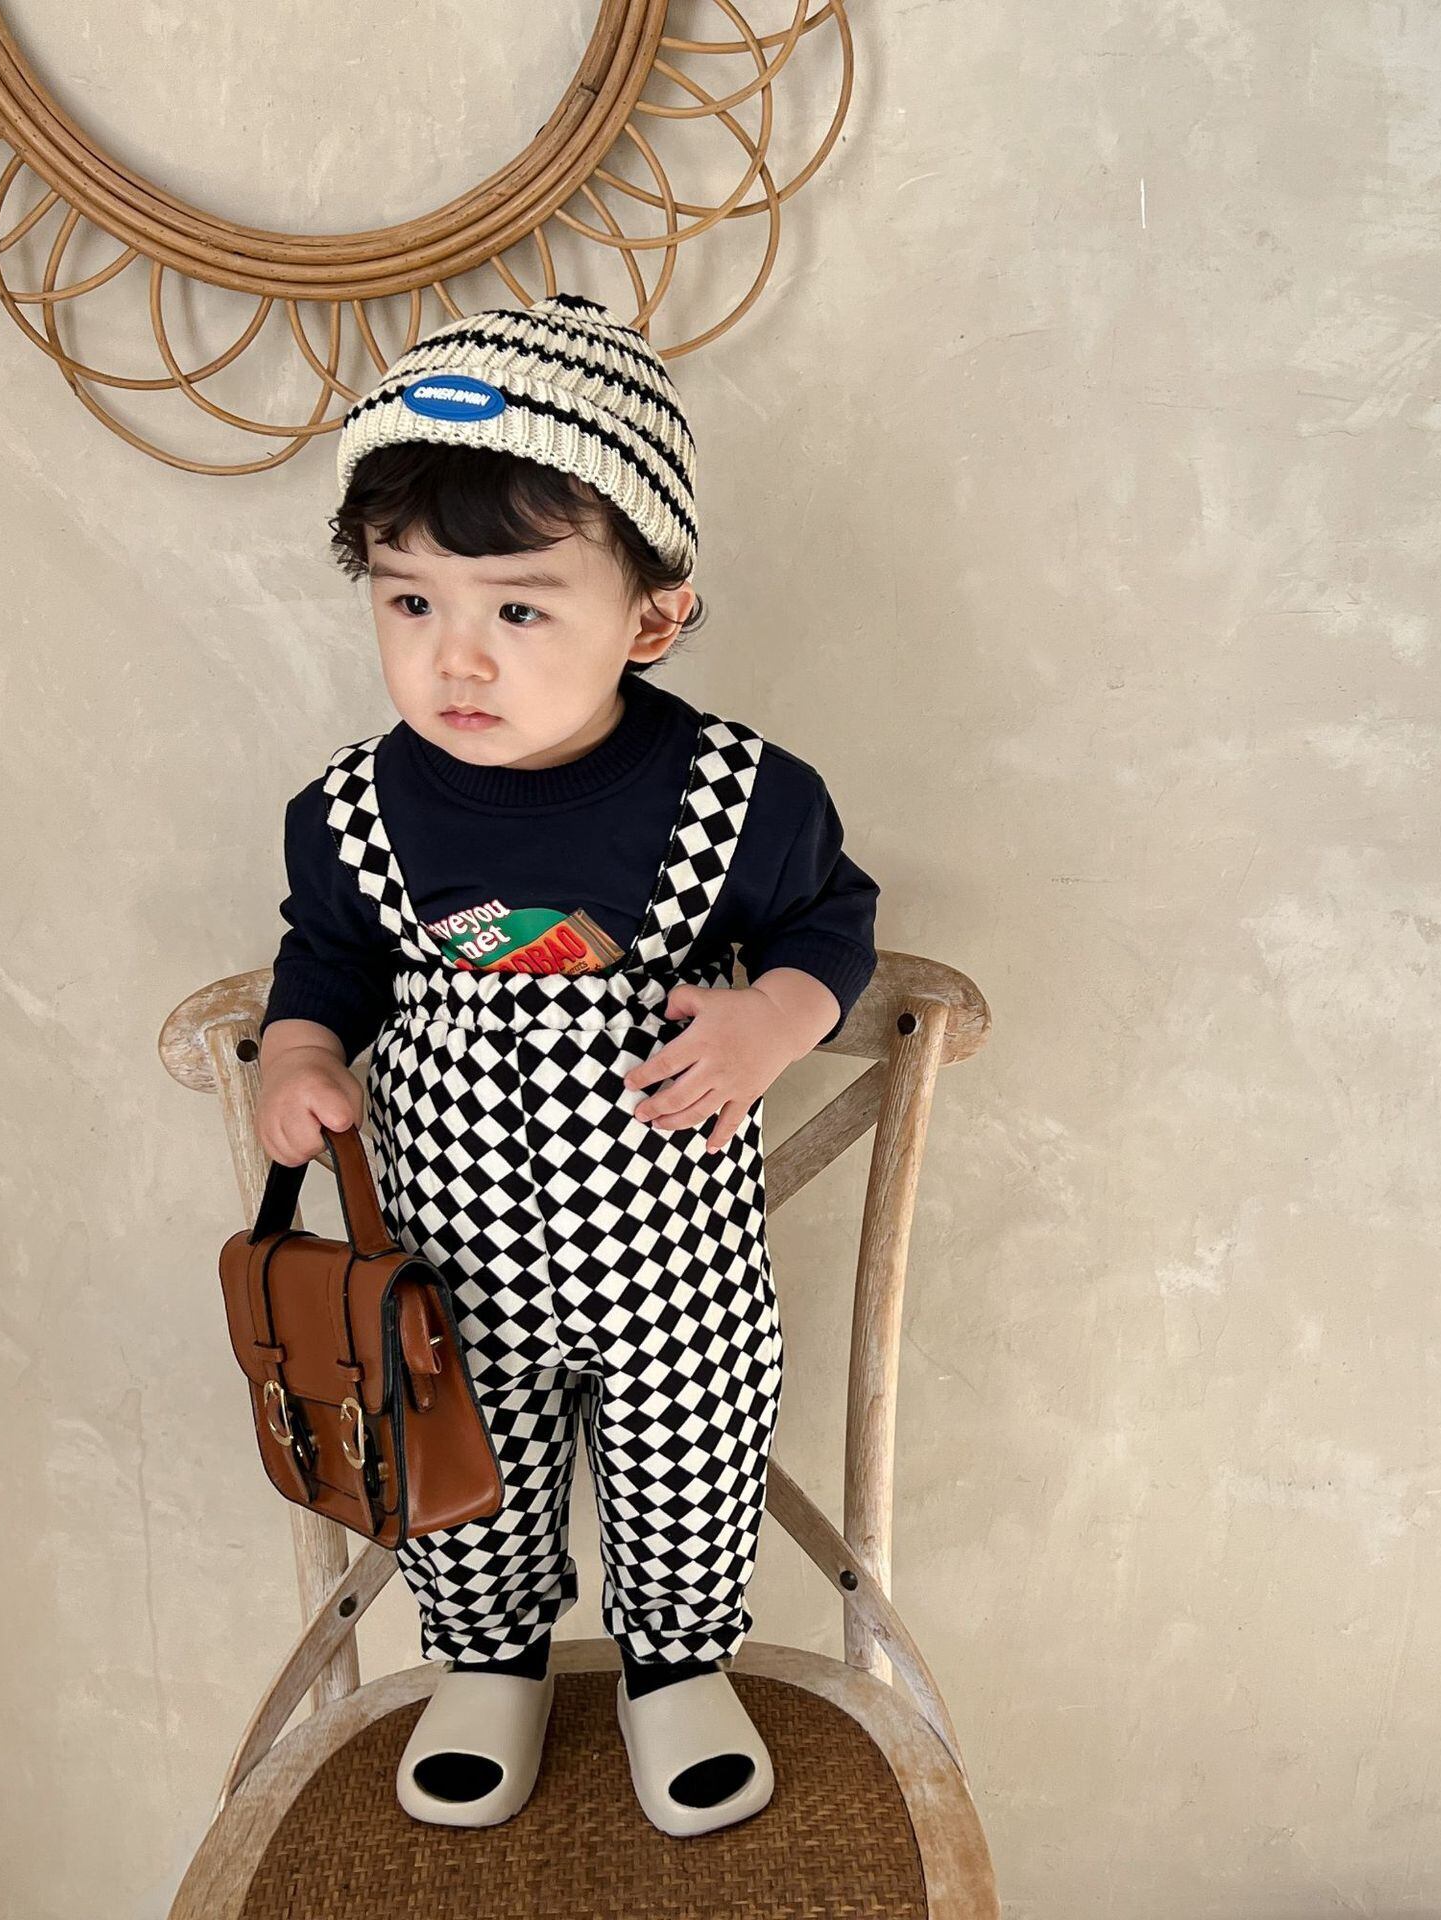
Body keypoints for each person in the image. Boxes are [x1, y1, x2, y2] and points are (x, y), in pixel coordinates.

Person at [253, 291, 880, 1837]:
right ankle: (489, 1667)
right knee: (462, 1465)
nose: (455, 656)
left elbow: (835, 918)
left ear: (651, 617)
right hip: (448, 1260)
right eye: (409, 601)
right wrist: (301, 1047)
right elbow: (325, 956)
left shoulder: (740, 795)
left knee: (694, 1454)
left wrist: (774, 1018)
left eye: (519, 610)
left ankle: (678, 1669)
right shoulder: (353, 812)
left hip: (673, 1259)